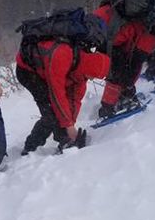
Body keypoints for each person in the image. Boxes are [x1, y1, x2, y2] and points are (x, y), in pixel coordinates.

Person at [15, 17, 111, 154]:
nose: (91, 79)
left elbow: (74, 100)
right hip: (27, 71)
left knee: (60, 115)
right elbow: (56, 94)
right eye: (93, 76)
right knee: (50, 115)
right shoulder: (62, 55)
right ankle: (30, 148)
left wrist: (70, 123)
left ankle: (64, 138)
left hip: (47, 71)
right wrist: (68, 126)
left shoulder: (82, 72)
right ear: (90, 70)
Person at [92, 0, 155, 119]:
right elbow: (135, 61)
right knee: (120, 70)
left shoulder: (123, 15)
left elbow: (135, 60)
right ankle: (110, 105)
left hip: (109, 32)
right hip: (111, 35)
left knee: (121, 70)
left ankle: (114, 102)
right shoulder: (154, 24)